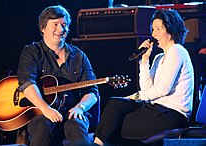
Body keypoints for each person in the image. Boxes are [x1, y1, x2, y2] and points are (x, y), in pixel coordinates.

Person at [93, 9, 194, 145]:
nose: (154, 34)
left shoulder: (177, 50)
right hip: (154, 109)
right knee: (115, 103)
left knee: (116, 125)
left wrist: (136, 96)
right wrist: (144, 61)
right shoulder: (159, 58)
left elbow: (163, 89)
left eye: (159, 29)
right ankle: (97, 142)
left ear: (171, 29)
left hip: (172, 114)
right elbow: (147, 88)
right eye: (153, 29)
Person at [17, 5, 99, 146]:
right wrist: (45, 109)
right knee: (43, 125)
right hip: (41, 113)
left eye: (64, 25)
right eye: (55, 25)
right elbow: (27, 83)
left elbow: (92, 91)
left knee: (76, 125)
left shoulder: (79, 55)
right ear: (43, 28)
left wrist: (80, 107)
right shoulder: (32, 51)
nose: (61, 30)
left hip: (72, 113)